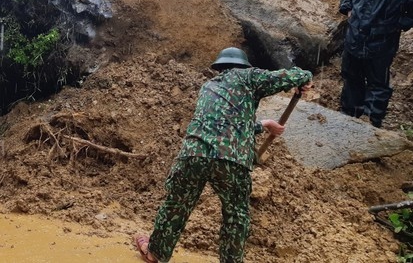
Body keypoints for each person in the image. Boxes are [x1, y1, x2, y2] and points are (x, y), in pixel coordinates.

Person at [133, 47, 312, 263]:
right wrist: (305, 78)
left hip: (193, 154)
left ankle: (154, 253)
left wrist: (263, 125)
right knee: (236, 216)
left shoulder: (208, 86)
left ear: (220, 67)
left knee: (176, 205)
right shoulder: (249, 76)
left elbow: (222, 123)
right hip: (232, 160)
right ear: (244, 65)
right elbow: (293, 75)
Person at [338, 0, 413, 128]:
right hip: (354, 38)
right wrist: (347, 8)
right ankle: (350, 115)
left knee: (377, 82)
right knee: (351, 77)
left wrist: (398, 24)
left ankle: (372, 121)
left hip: (381, 43)